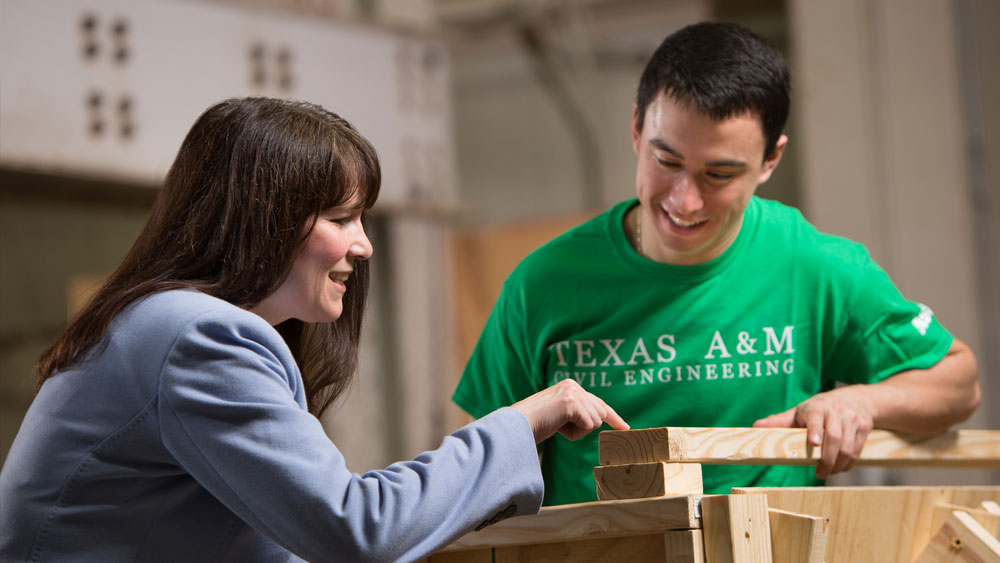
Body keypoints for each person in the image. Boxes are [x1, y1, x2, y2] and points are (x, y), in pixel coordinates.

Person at [0, 97, 627, 562]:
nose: (364, 246)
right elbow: (358, 530)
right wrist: (524, 422)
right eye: (342, 217)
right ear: (261, 219)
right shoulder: (198, 337)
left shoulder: (162, 325)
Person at [452, 21, 981, 506]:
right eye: (667, 161)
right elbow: (481, 466)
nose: (685, 201)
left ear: (770, 159)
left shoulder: (813, 266)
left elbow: (959, 383)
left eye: (719, 175)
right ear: (637, 128)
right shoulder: (545, 282)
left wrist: (862, 403)